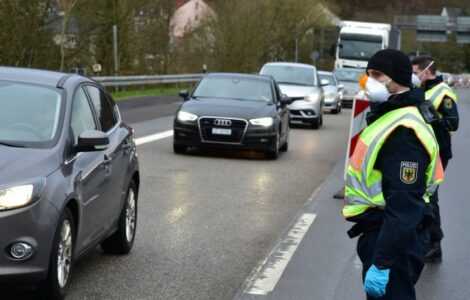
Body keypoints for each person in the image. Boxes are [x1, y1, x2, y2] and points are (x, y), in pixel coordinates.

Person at [343, 49, 444, 299]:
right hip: (386, 233)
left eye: (377, 75)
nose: (370, 82)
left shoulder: (404, 131)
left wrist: (382, 263)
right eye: (368, 75)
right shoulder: (392, 115)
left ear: (398, 78)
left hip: (394, 239)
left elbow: (404, 205)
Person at [411, 55, 459, 262]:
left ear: (426, 71)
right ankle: (423, 238)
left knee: (430, 196)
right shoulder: (421, 89)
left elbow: (453, 123)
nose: (412, 76)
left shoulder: (444, 93)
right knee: (421, 194)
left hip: (438, 151)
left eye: (414, 73)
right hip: (421, 149)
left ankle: (434, 244)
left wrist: (433, 116)